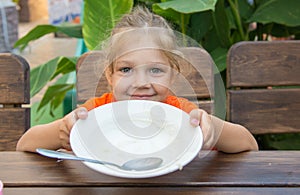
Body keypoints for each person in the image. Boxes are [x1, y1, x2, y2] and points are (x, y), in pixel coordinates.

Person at [16, 6, 258, 153]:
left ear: (174, 74)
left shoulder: (182, 114)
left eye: (155, 70)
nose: (141, 82)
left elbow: (249, 144)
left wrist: (212, 129)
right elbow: (25, 144)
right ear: (109, 75)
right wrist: (61, 130)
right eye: (126, 70)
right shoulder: (96, 113)